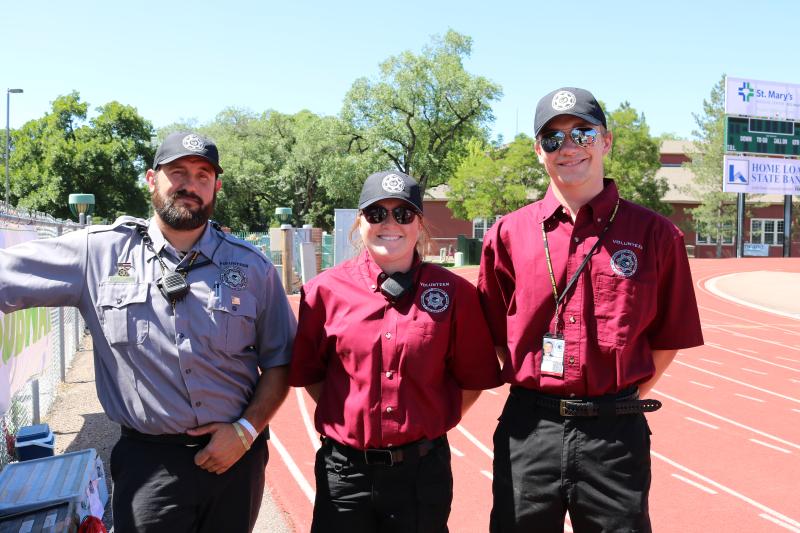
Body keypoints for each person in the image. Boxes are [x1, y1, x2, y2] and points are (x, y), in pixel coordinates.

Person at [0, 131, 297, 533]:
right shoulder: (98, 252)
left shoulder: (252, 268)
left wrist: (246, 432)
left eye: (203, 175)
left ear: (216, 187)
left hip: (236, 460)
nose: (190, 184)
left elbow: (280, 361)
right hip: (148, 466)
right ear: (151, 178)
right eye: (178, 172)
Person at [478, 88, 704, 532]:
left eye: (582, 133)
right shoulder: (507, 234)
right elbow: (492, 332)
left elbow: (668, 337)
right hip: (529, 430)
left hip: (615, 434)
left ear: (606, 141)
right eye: (553, 138)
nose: (569, 147)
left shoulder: (656, 234)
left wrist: (620, 398)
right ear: (538, 150)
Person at [289, 170, 502, 532]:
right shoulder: (323, 292)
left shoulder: (455, 294)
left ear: (419, 224)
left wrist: (428, 418)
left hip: (421, 474)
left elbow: (472, 379)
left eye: (403, 214)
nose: (390, 223)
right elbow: (311, 375)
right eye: (377, 214)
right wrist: (353, 418)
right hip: (344, 474)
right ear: (360, 222)